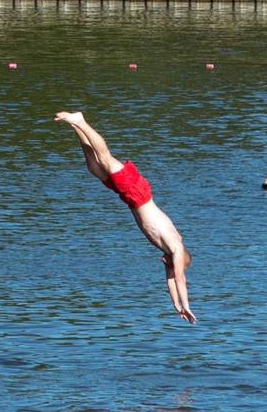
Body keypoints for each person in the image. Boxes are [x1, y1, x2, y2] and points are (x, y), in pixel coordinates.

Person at [54, 110, 195, 321]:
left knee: (93, 167)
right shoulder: (175, 247)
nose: (169, 269)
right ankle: (81, 120)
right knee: (105, 159)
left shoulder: (170, 250)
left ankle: (76, 126)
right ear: (181, 260)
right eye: (173, 266)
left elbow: (172, 281)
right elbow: (180, 280)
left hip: (130, 197)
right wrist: (188, 305)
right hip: (138, 193)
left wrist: (177, 307)